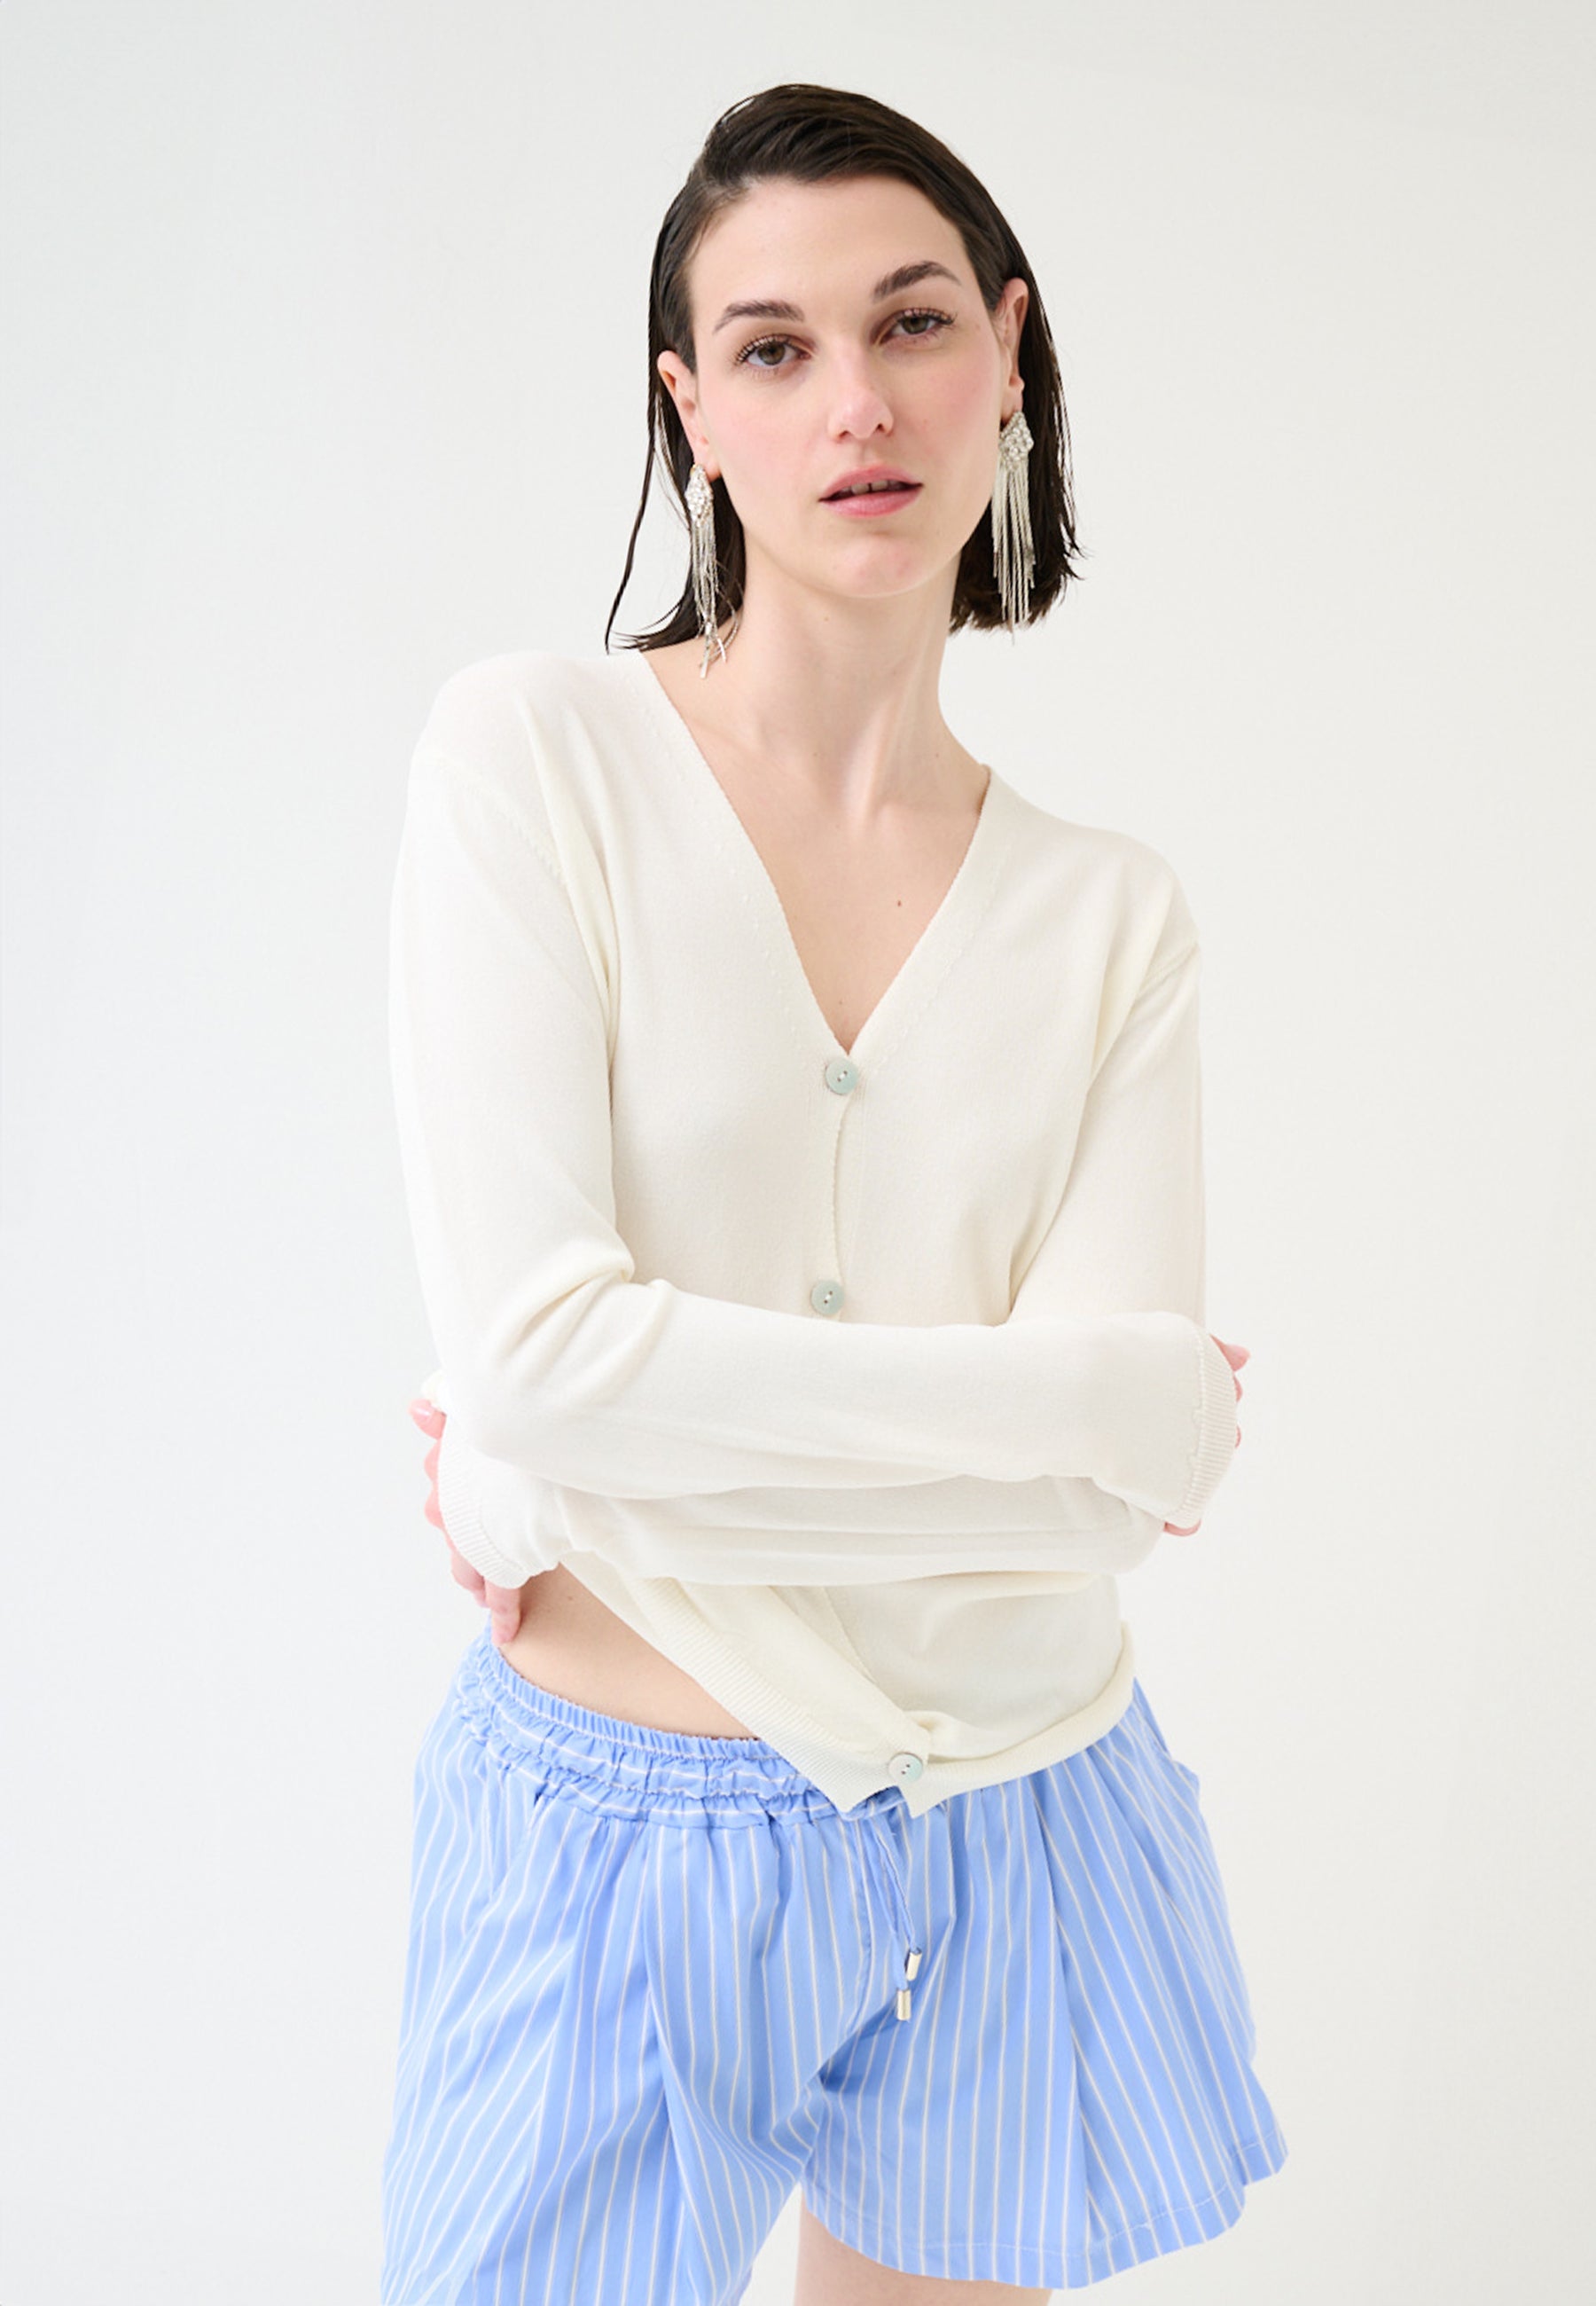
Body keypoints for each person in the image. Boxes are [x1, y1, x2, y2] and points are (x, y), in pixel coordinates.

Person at [379, 81, 1287, 2306]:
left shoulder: (1110, 916)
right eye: (773, 348)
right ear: (690, 411)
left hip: (1023, 1811)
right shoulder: (536, 762)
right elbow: (548, 1358)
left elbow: (1105, 1509)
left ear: (1009, 352)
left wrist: (572, 1459)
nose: (855, 403)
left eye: (911, 323)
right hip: (616, 1838)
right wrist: (1091, 1403)